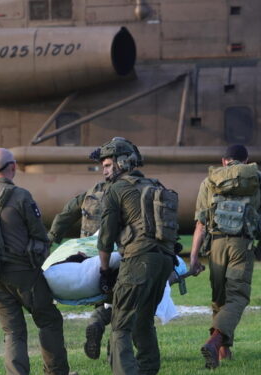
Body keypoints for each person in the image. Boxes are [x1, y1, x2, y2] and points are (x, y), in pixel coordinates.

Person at [189, 144, 261, 369]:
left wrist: (194, 256)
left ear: (224, 160)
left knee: (219, 298)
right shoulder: (257, 178)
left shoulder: (210, 180)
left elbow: (200, 224)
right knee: (237, 297)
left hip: (215, 245)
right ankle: (215, 342)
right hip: (241, 244)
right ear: (246, 161)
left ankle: (224, 351)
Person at [0, 148, 73, 375]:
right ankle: (56, 372)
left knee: (13, 332)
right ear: (12, 167)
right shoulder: (21, 196)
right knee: (48, 321)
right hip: (24, 274)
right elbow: (38, 234)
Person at [94, 137, 176, 375]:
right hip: (163, 261)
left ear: (122, 163)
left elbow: (105, 239)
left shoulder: (116, 189)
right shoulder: (155, 185)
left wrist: (104, 270)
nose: (104, 170)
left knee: (120, 326)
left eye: (108, 165)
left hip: (139, 260)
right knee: (143, 321)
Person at [48, 176, 111, 360]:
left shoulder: (91, 193)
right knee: (121, 302)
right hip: (113, 253)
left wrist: (52, 237)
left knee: (99, 295)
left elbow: (67, 214)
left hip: (87, 254)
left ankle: (96, 323)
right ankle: (114, 352)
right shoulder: (126, 192)